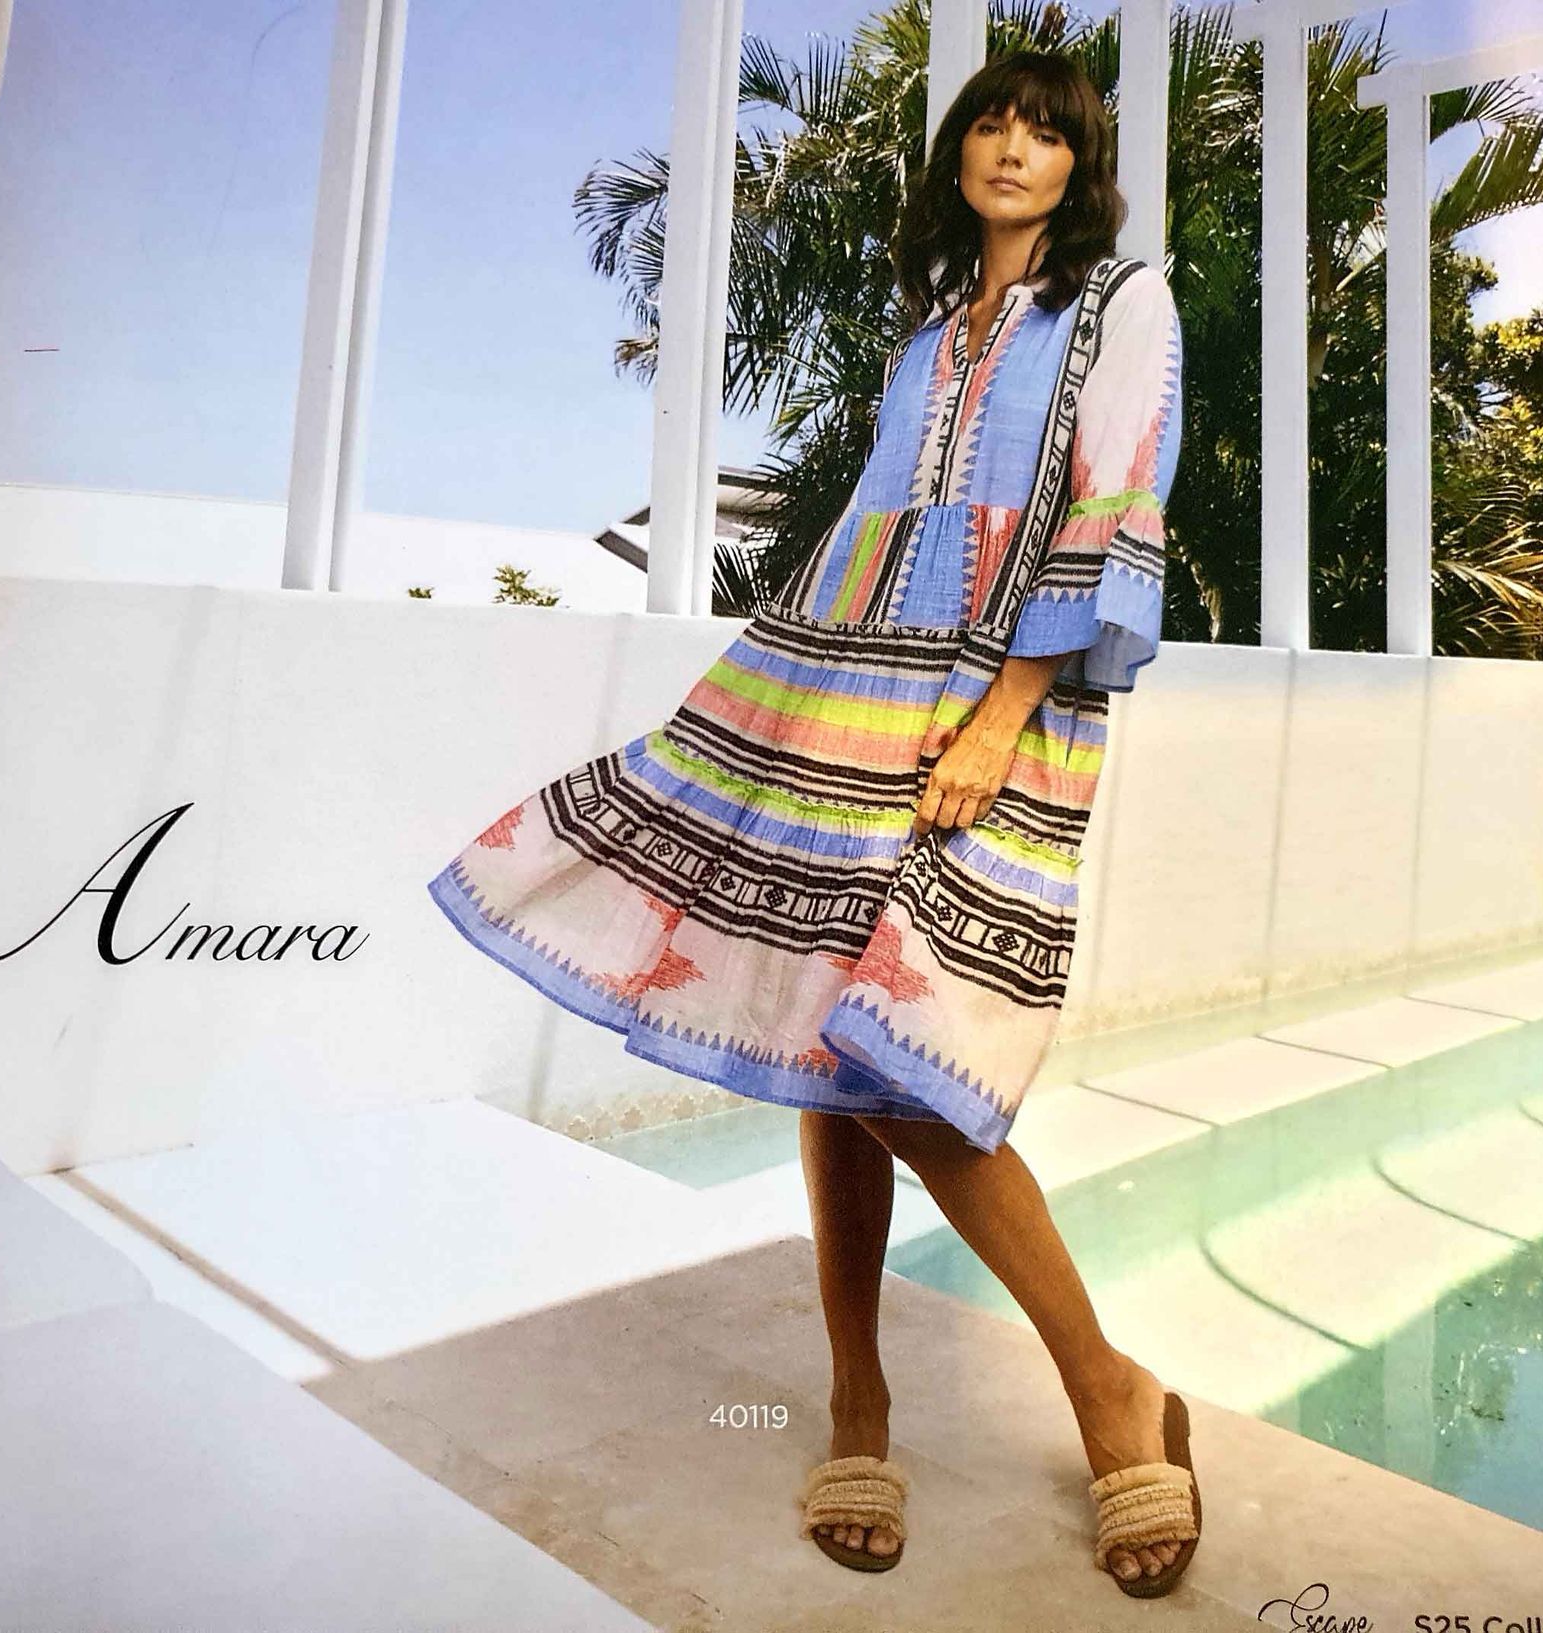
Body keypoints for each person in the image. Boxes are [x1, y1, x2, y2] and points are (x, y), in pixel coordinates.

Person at [426, 49, 1199, 1597]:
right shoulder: (929, 333)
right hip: (847, 682)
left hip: (997, 694)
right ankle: (857, 1398)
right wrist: (774, 689)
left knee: (914, 1061)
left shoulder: (1122, 302)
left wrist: (1001, 717)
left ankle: (1108, 1385)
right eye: (992, 123)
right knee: (820, 1033)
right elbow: (869, 526)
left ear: (1080, 164)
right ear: (959, 153)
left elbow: (1113, 503)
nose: (1014, 147)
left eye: (1046, 132)